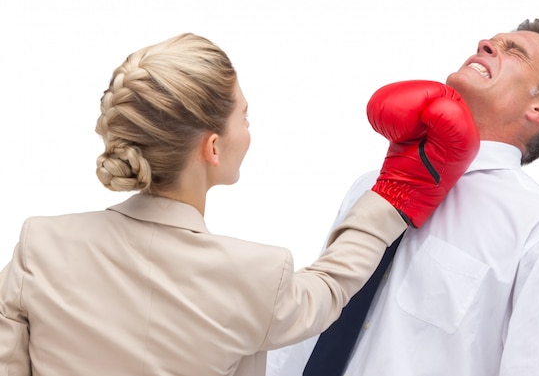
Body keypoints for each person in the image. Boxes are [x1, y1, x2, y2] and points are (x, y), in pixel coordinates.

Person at [0, 33, 479, 376]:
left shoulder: (40, 244)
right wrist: (395, 194)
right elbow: (331, 287)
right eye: (243, 115)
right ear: (212, 147)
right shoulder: (255, 275)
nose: (249, 129)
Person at [267, 18, 539, 376]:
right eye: (492, 41)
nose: (486, 43)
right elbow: (311, 320)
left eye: (513, 51)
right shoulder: (372, 184)